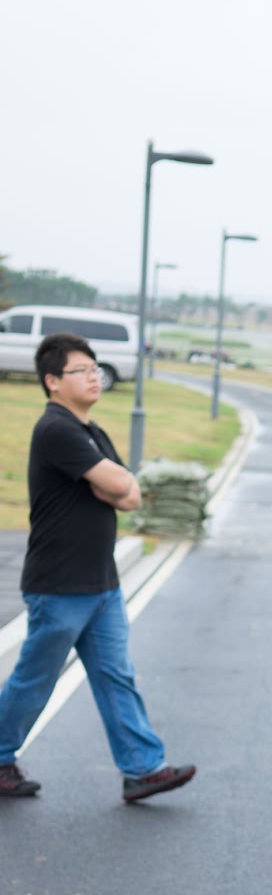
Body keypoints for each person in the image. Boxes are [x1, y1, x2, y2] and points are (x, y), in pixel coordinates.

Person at [0, 332, 196, 804]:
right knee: (36, 677)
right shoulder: (57, 429)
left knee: (115, 675)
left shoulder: (91, 430)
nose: (93, 377)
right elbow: (119, 484)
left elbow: (130, 493)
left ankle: (143, 769)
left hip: (101, 582)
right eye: (80, 371)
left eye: (94, 368)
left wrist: (113, 484)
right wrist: (112, 483)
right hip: (60, 583)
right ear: (51, 381)